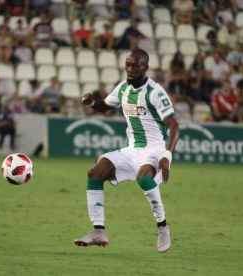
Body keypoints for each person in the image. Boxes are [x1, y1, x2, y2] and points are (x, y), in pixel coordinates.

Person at [75, 49, 180, 253]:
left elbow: (174, 126)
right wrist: (91, 103)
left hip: (155, 148)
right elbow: (105, 105)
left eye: (135, 66)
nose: (130, 69)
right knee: (94, 173)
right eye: (128, 64)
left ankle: (162, 226)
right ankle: (98, 231)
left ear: (146, 68)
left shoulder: (155, 92)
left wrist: (167, 155)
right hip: (132, 149)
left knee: (144, 177)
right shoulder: (123, 88)